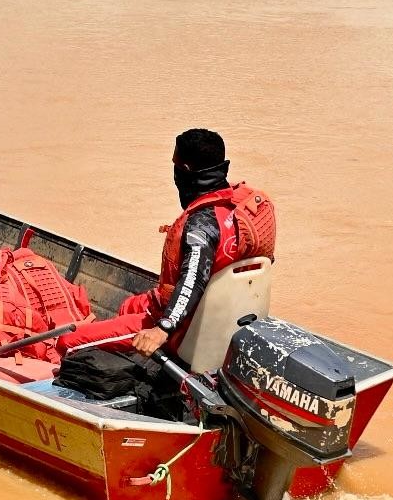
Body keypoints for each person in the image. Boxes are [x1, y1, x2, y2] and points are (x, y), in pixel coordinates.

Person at [57, 127, 275, 358]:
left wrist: (162, 329)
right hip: (225, 314)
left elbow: (192, 281)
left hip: (183, 329)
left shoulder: (201, 225)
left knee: (67, 342)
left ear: (186, 170)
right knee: (127, 307)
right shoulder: (246, 210)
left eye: (175, 164)